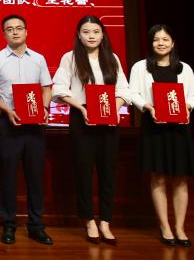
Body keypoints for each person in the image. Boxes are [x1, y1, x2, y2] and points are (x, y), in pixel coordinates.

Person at [52, 15, 130, 245]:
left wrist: (115, 108)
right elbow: (59, 88)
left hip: (108, 118)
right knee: (84, 171)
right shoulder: (70, 58)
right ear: (79, 35)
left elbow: (123, 89)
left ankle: (105, 221)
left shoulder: (111, 58)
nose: (91, 36)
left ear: (103, 34)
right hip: (82, 117)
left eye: (96, 32)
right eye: (86, 32)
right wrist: (81, 108)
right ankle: (89, 221)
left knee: (108, 171)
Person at [128, 24, 194, 247]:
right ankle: (165, 226)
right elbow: (132, 93)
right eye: (156, 39)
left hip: (179, 129)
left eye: (165, 39)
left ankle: (180, 227)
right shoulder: (141, 67)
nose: (161, 43)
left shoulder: (184, 68)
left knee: (180, 179)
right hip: (154, 128)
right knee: (158, 177)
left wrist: (187, 106)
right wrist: (147, 107)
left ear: (173, 43)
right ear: (151, 43)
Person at [0, 14, 54, 245]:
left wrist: (44, 108)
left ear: (26, 31)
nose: (14, 32)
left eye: (19, 28)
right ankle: (9, 225)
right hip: (9, 122)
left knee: (35, 176)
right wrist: (7, 110)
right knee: (8, 177)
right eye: (9, 29)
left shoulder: (39, 59)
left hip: (35, 125)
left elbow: (46, 88)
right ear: (4, 33)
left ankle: (36, 225)